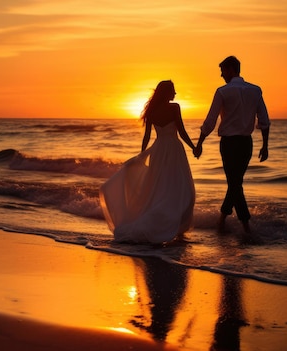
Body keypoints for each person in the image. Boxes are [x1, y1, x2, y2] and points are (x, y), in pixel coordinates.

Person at [100, 80, 196, 244]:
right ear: (166, 92)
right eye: (173, 90)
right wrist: (194, 147)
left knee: (161, 188)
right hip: (174, 149)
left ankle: (172, 227)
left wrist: (142, 155)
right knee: (182, 187)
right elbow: (181, 130)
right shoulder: (174, 108)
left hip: (158, 150)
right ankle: (175, 229)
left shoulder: (152, 111)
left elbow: (146, 136)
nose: (175, 93)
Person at [194, 56, 270, 240]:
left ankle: (245, 226)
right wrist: (265, 146)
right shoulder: (255, 90)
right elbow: (264, 120)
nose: (221, 75)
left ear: (231, 69)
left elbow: (210, 121)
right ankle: (223, 220)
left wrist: (200, 142)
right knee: (235, 183)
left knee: (234, 183)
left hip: (229, 144)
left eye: (223, 71)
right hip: (246, 144)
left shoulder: (222, 91)